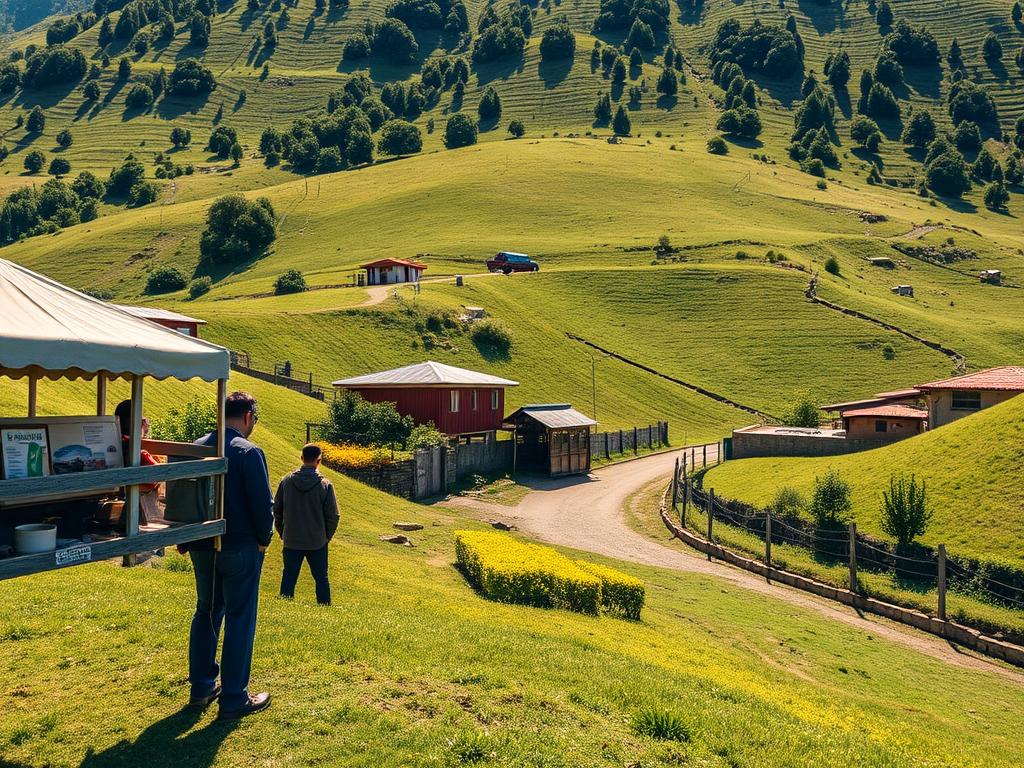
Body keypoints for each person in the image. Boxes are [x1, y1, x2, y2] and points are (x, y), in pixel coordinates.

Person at [186, 391, 274, 720]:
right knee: (240, 618)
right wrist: (264, 539)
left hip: (201, 543)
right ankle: (235, 696)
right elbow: (262, 505)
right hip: (239, 545)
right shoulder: (249, 452)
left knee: (206, 611)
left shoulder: (197, 445)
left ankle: (202, 686)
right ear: (248, 416)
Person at [274, 444, 339, 606]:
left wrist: (282, 532)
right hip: (317, 540)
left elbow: (277, 510)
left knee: (289, 575)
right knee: (321, 578)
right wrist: (326, 536)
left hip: (292, 538)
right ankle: (324, 606)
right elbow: (333, 516)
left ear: (302, 458)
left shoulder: (287, 481)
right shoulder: (325, 484)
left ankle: (284, 606)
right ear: (319, 461)